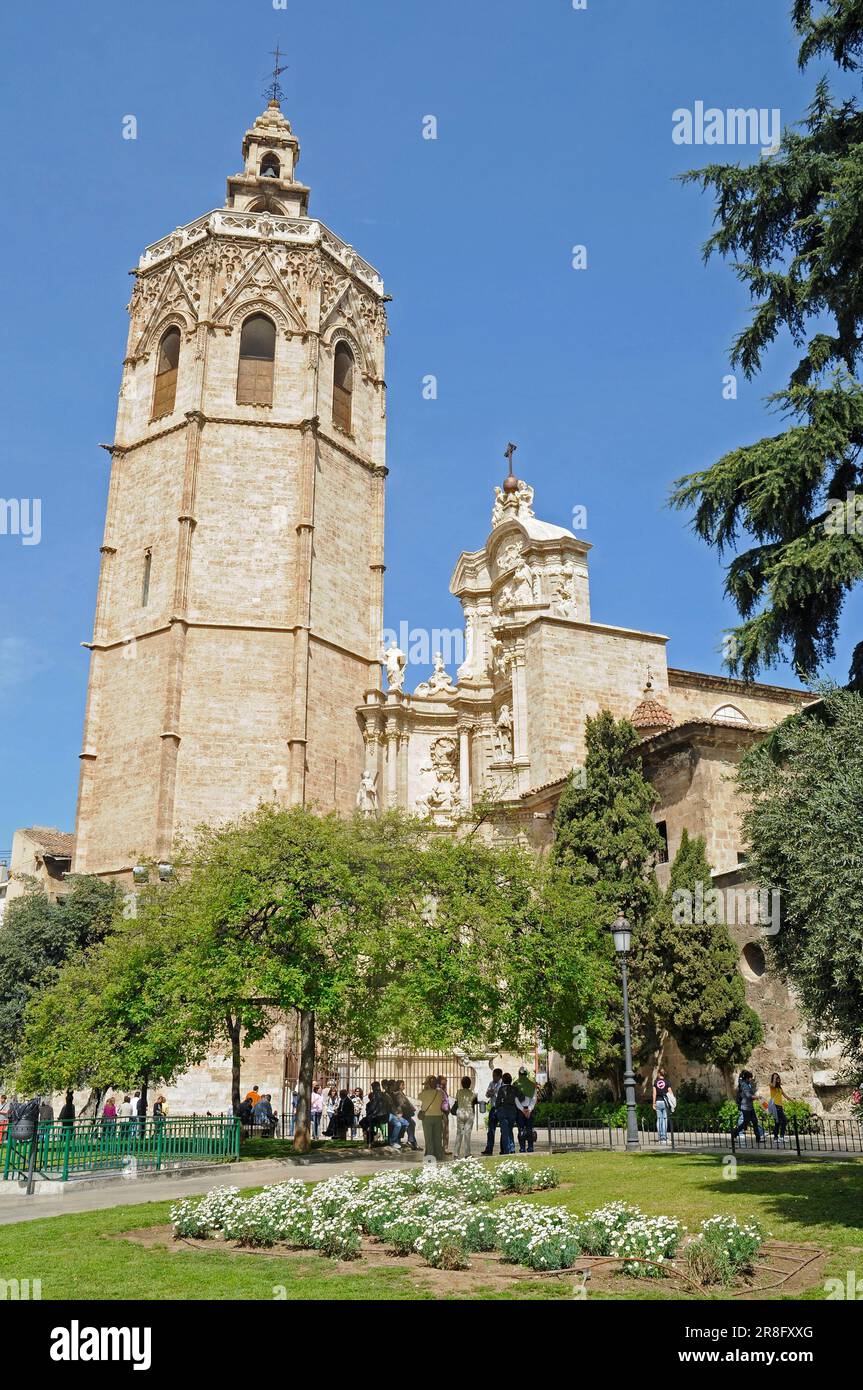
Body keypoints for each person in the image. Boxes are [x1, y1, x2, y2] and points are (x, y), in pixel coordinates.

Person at [733, 1070, 764, 1144]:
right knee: (745, 1123)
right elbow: (748, 1095)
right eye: (750, 1078)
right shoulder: (744, 1085)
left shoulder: (747, 1084)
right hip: (745, 1107)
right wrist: (757, 1097)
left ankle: (758, 1138)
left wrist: (755, 1097)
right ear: (747, 1078)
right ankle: (734, 1133)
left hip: (750, 1107)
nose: (751, 1079)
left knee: (755, 1122)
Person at [418, 1074, 445, 1161]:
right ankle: (439, 1155)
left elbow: (419, 1098)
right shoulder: (440, 1093)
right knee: (437, 1137)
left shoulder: (423, 1093)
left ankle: (430, 1156)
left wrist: (425, 1088)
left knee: (428, 1138)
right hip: (438, 1116)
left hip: (427, 1117)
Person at [453, 1076, 478, 1157]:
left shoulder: (458, 1092)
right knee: (467, 1134)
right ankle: (467, 1153)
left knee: (459, 1133)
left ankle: (456, 1152)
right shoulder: (473, 1093)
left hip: (460, 1112)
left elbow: (457, 1101)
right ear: (470, 1084)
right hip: (469, 1113)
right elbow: (474, 1103)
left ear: (462, 1084)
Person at [494, 1073, 519, 1154]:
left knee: (505, 1132)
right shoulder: (514, 1089)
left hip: (503, 1112)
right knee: (510, 1130)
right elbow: (521, 1098)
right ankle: (512, 1148)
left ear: (503, 1080)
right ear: (511, 1080)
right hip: (512, 1111)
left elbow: (497, 1102)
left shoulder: (501, 1089)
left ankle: (506, 1150)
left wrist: (497, 1109)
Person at [514, 1066, 537, 1153]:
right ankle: (530, 1147)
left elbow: (515, 1099)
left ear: (519, 1074)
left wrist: (522, 1109)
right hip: (529, 1110)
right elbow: (534, 1099)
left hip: (520, 1111)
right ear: (526, 1074)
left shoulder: (516, 1084)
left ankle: (522, 1148)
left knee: (521, 1129)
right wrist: (529, 1110)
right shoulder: (532, 1085)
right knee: (530, 1128)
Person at [482, 1068, 503, 1155]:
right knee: (491, 1130)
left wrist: (492, 1092)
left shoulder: (502, 1083)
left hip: (501, 1108)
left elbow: (498, 1094)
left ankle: (504, 1149)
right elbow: (487, 1094)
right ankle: (489, 1149)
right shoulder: (491, 1083)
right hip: (493, 1108)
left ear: (499, 1076)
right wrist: (491, 1092)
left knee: (503, 1130)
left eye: (494, 1075)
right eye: (493, 1075)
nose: (493, 1077)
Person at [394, 1080, 418, 1150]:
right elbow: (401, 1104)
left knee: (411, 1124)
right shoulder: (398, 1094)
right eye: (402, 1085)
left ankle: (412, 1142)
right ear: (398, 1086)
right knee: (411, 1124)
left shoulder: (401, 1093)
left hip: (405, 1113)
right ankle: (412, 1142)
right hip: (403, 1113)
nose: (404, 1086)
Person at [769, 1073, 790, 1143]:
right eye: (775, 1078)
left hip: (780, 1106)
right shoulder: (771, 1085)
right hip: (775, 1105)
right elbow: (773, 1085)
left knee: (777, 1122)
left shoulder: (779, 1087)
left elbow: (784, 1095)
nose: (777, 1079)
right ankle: (781, 1136)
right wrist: (774, 1078)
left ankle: (776, 1138)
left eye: (778, 1078)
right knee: (784, 1120)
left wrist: (792, 1100)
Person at [652, 1067, 671, 1143]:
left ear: (658, 1073)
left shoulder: (655, 1082)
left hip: (658, 1102)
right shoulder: (667, 1082)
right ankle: (664, 1137)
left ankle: (660, 1137)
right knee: (665, 1119)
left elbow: (654, 1093)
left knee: (659, 1119)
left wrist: (653, 1103)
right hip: (665, 1102)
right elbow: (670, 1092)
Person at [438, 1076, 451, 1154]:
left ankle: (445, 1148)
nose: (446, 1081)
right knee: (442, 1130)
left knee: (445, 1131)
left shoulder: (444, 1090)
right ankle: (442, 1148)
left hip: (445, 1112)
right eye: (444, 1080)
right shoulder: (439, 1090)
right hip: (441, 1112)